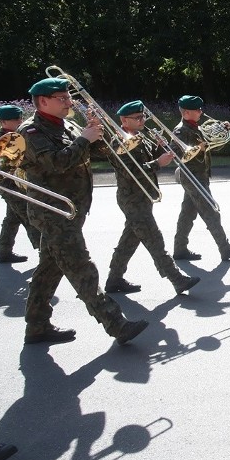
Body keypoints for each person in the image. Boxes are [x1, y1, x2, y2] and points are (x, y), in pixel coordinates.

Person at [17, 77, 148, 345]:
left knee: (49, 269)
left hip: (72, 208)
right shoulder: (30, 132)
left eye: (68, 97)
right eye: (62, 98)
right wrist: (82, 139)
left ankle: (36, 326)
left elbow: (97, 152)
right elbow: (56, 163)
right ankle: (116, 323)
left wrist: (96, 133)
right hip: (52, 211)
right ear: (43, 101)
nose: (69, 102)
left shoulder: (67, 125)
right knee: (82, 267)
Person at [104, 100, 200, 295]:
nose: (142, 120)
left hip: (143, 195)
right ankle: (177, 279)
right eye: (137, 118)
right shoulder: (120, 141)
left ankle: (114, 280)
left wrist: (160, 148)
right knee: (154, 239)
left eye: (142, 117)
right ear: (124, 120)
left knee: (129, 240)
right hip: (131, 197)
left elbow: (147, 159)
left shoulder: (139, 136)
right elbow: (131, 171)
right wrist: (158, 162)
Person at [171, 95, 230, 262]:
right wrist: (198, 147)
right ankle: (225, 249)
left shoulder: (195, 127)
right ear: (185, 112)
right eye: (197, 109)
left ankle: (180, 249)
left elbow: (214, 146)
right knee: (211, 212)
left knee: (187, 213)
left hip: (200, 175)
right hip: (192, 177)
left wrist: (224, 131)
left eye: (200, 108)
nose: (200, 112)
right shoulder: (180, 131)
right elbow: (174, 153)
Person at [0, 105, 40, 263]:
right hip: (9, 186)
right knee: (29, 217)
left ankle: (3, 252)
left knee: (12, 218)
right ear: (3, 121)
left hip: (19, 184)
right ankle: (47, 253)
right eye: (16, 119)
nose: (20, 121)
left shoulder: (19, 136)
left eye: (20, 117)